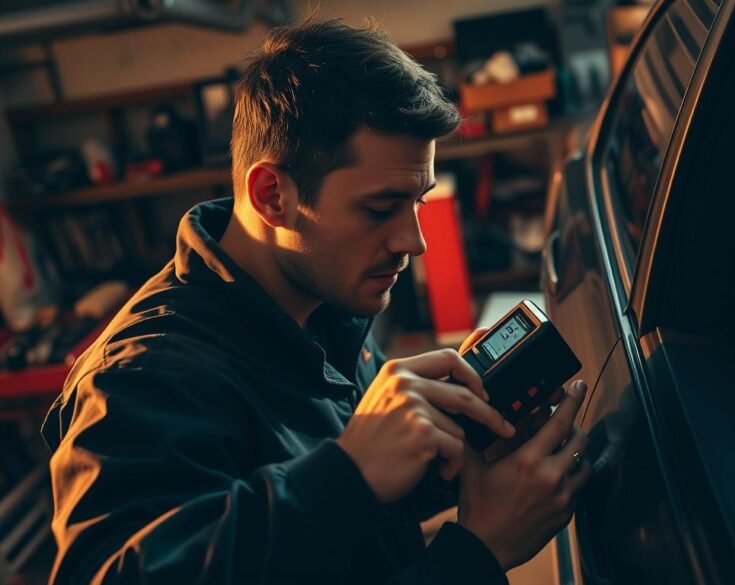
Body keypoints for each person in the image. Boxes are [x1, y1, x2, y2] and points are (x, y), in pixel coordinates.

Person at [41, 18, 590, 584]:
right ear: (272, 195)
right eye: (381, 209)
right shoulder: (142, 378)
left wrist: (447, 449)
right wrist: (474, 552)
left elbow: (325, 532)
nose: (414, 242)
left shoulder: (326, 300)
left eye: (418, 202)